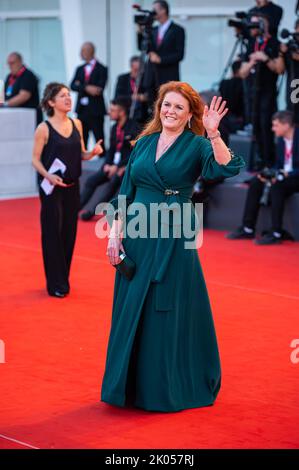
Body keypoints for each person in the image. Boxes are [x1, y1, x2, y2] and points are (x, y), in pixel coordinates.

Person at [100, 81, 245, 412]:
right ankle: (126, 386)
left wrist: (214, 134)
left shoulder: (197, 145)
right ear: (158, 108)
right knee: (131, 305)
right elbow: (125, 189)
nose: (171, 111)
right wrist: (114, 232)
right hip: (136, 232)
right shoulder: (144, 143)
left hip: (174, 232)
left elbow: (229, 166)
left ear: (190, 114)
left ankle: (161, 389)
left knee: (163, 307)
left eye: (179, 107)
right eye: (167, 105)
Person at [32, 83, 103, 298]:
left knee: (69, 234)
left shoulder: (77, 124)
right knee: (52, 233)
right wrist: (48, 175)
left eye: (69, 95)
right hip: (52, 188)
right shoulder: (43, 128)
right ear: (51, 102)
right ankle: (55, 283)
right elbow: (35, 160)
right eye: (63, 96)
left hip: (73, 186)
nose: (68, 99)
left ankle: (63, 278)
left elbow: (80, 153)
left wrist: (92, 153)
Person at [226, 111, 299, 245]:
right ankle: (248, 228)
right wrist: (271, 174)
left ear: (287, 125)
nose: (272, 129)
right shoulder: (281, 140)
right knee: (256, 182)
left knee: (277, 186)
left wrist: (287, 174)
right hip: (284, 176)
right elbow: (279, 164)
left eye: (276, 125)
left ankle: (276, 232)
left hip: (295, 178)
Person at [80, 99, 139, 221]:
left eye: (112, 110)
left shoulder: (134, 127)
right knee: (91, 180)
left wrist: (118, 167)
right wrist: (107, 164)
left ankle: (92, 212)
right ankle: (75, 208)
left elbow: (135, 152)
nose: (109, 112)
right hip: (112, 165)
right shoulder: (114, 128)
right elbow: (111, 150)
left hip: (126, 167)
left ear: (122, 112)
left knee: (115, 180)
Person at [239, 12, 280, 169]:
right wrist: (252, 61)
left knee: (266, 126)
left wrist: (266, 58)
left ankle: (269, 162)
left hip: (267, 91)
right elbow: (242, 73)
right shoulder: (251, 43)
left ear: (264, 25)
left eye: (255, 25)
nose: (252, 29)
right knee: (255, 126)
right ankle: (258, 161)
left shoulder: (274, 43)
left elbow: (279, 69)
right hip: (252, 92)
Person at [138, 1, 185, 102]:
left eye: (155, 10)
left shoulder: (177, 30)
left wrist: (161, 59)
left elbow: (179, 54)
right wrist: (140, 32)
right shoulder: (153, 30)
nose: (152, 13)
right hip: (151, 76)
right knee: (152, 108)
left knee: (167, 104)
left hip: (167, 76)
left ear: (163, 10)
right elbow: (142, 48)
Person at [70, 42, 108, 151]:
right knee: (81, 138)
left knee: (99, 138)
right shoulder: (79, 68)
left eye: (83, 50)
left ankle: (102, 163)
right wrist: (86, 87)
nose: (80, 53)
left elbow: (99, 89)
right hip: (82, 110)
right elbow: (72, 85)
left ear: (90, 51)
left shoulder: (102, 68)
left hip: (96, 110)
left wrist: (80, 85)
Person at [0, 52, 42, 125]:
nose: (10, 66)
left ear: (20, 62)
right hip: (15, 117)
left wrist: (5, 104)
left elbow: (24, 96)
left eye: (12, 63)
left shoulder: (28, 75)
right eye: (8, 63)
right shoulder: (9, 77)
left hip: (29, 118)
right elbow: (3, 94)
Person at [275, 19, 299, 125]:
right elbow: (280, 70)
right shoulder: (290, 45)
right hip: (293, 87)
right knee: (292, 115)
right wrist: (281, 53)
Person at [114, 56, 149, 126]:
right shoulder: (122, 78)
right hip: (126, 114)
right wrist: (132, 97)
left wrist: (144, 97)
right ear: (131, 67)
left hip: (142, 115)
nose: (137, 72)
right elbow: (117, 97)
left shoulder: (146, 78)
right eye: (135, 69)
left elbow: (151, 94)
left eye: (139, 69)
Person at [219, 60, 245, 134]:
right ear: (239, 70)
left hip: (224, 119)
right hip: (239, 120)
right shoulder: (244, 84)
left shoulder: (224, 83)